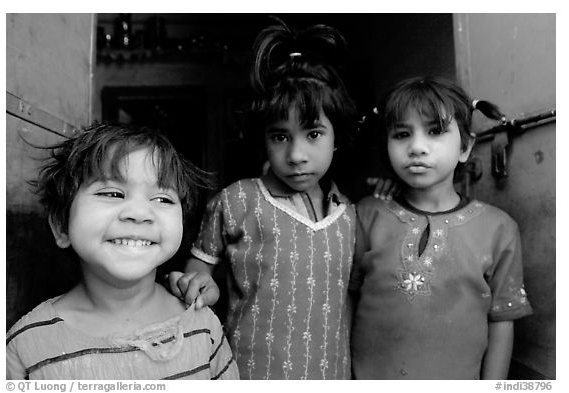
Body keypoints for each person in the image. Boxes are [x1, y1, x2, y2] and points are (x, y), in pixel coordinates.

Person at [168, 19, 359, 380]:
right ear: (263, 139)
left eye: (313, 133)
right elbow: (198, 275)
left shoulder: (348, 214)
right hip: (247, 372)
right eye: (280, 136)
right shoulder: (236, 201)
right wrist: (194, 285)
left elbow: (347, 301)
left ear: (337, 137)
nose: (297, 154)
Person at [6, 123, 239, 380]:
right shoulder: (25, 346)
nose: (139, 214)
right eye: (113, 193)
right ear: (62, 225)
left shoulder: (201, 322)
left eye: (163, 199)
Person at [349, 76, 533, 380]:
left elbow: (501, 320)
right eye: (402, 134)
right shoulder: (366, 214)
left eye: (435, 131)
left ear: (466, 146)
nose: (417, 147)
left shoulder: (499, 229)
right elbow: (348, 301)